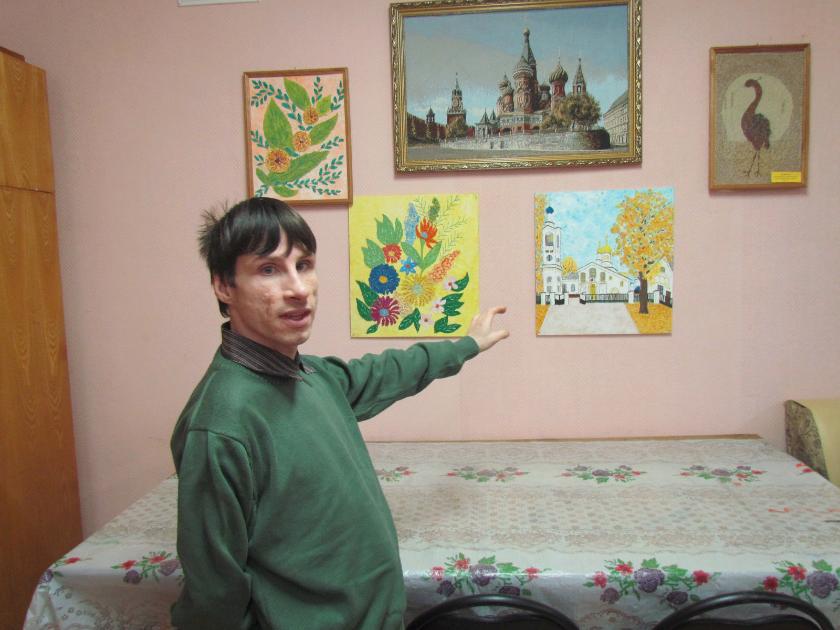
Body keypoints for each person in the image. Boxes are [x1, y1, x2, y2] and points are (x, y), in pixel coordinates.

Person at [170, 197, 508, 629]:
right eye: (268, 269)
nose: (298, 288)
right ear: (223, 286)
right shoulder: (221, 424)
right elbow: (213, 592)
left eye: (304, 265)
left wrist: (466, 345)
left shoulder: (311, 375)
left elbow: (386, 372)